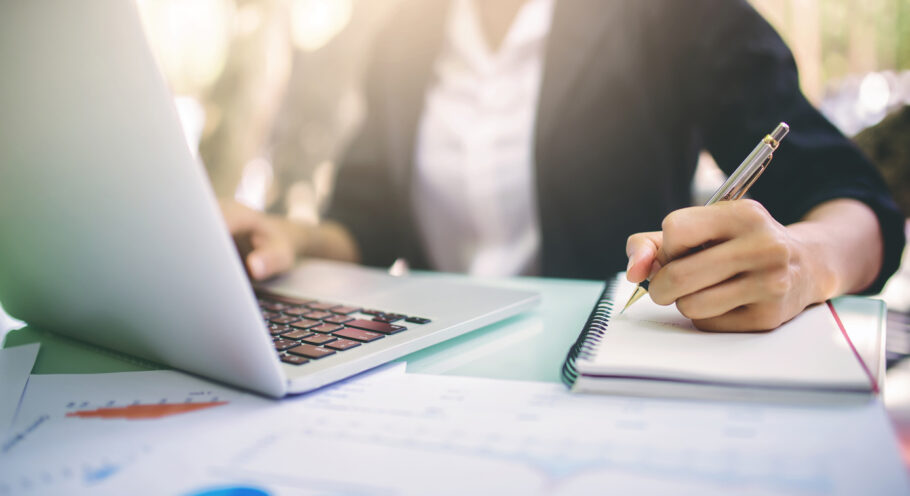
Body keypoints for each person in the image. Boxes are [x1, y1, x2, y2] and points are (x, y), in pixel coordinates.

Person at [223, 0, 906, 332]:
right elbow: (367, 224)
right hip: (433, 364)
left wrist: (806, 260)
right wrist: (295, 238)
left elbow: (853, 199)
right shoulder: (403, 35)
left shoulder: (671, 13)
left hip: (614, 364)